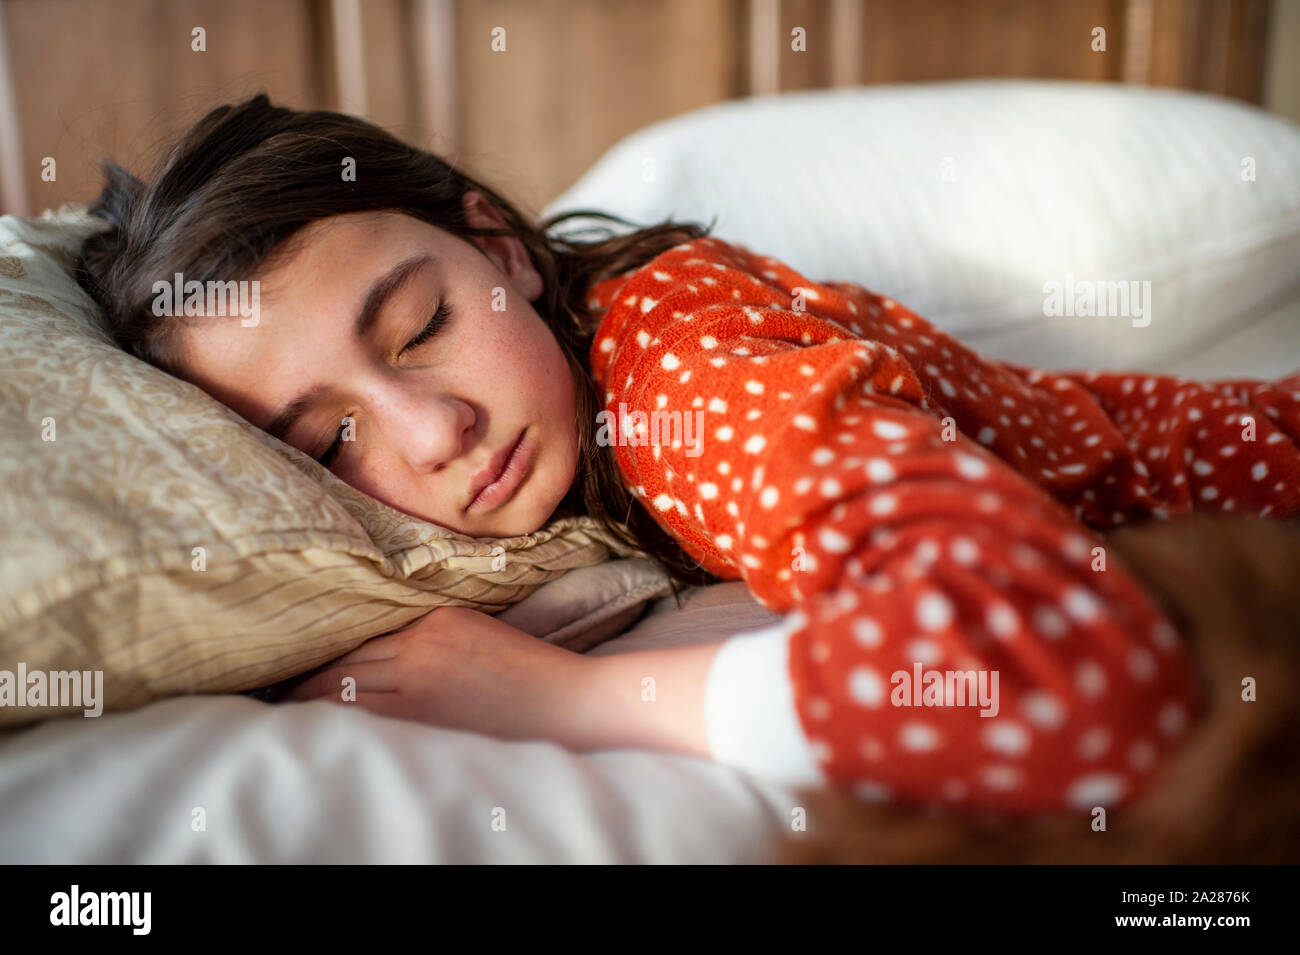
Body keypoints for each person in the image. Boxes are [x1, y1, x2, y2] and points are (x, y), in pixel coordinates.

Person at [76, 93, 1300, 817]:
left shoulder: (678, 369)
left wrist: (570, 701)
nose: (431, 431)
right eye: (326, 439)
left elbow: (1065, 671)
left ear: (500, 249)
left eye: (423, 327)